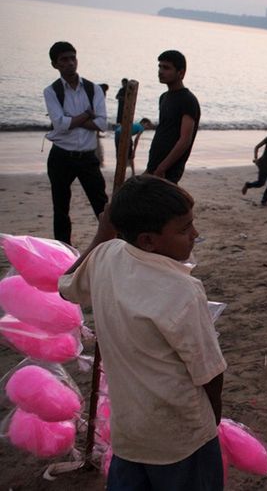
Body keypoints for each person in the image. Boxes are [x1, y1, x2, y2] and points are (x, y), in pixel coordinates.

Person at [58, 175, 226, 491]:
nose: (195, 233)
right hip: (180, 438)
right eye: (184, 229)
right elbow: (209, 372)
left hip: (129, 433)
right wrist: (210, 423)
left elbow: (66, 287)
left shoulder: (105, 257)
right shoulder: (183, 290)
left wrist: (102, 234)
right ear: (148, 240)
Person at [43, 41, 109, 245]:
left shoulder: (93, 89)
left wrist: (73, 119)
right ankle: (63, 250)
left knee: (102, 206)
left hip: (87, 157)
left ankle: (112, 245)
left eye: (73, 58)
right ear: (55, 64)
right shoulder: (52, 91)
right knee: (61, 209)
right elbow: (60, 125)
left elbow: (102, 123)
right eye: (64, 59)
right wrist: (86, 115)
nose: (70, 63)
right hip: (61, 156)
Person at [146, 50, 201, 184]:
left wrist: (162, 167)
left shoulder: (188, 100)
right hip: (154, 164)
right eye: (159, 66)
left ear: (181, 73)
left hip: (168, 170)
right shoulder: (164, 97)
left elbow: (185, 140)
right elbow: (165, 129)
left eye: (166, 68)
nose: (160, 71)